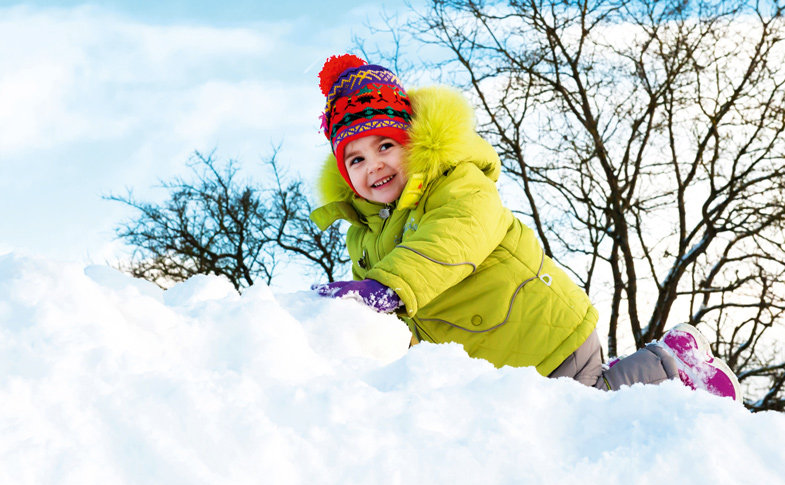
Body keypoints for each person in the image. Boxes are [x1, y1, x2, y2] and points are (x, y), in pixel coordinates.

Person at [309, 54, 741, 402]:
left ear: (413, 142)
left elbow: (453, 237)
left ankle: (674, 363)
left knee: (590, 409)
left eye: (386, 145)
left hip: (544, 333)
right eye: (357, 158)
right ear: (345, 176)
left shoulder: (456, 184)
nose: (375, 164)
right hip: (499, 358)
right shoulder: (363, 237)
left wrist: (389, 287)